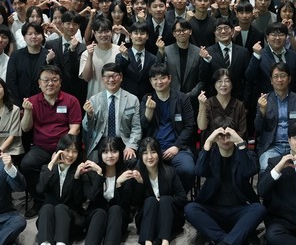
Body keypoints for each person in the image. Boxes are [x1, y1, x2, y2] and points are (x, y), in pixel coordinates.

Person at [186, 126, 264, 245]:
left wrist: (240, 142)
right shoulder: (210, 154)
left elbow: (250, 170)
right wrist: (208, 142)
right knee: (190, 209)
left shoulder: (244, 153)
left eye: (229, 135)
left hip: (239, 210)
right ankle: (238, 243)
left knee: (259, 209)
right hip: (213, 211)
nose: (225, 139)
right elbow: (199, 171)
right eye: (220, 136)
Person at [19, 65, 82, 211]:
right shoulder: (32, 101)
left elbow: (75, 128)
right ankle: (40, 200)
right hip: (41, 147)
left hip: (65, 147)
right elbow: (26, 128)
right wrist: (27, 111)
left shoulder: (71, 100)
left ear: (60, 82)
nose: (50, 83)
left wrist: (63, 150)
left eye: (54, 80)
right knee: (26, 165)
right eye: (46, 80)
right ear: (39, 83)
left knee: (73, 163)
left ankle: (65, 200)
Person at [36, 134, 89, 245]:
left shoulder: (79, 170)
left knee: (60, 208)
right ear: (60, 150)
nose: (70, 155)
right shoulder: (48, 168)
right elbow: (40, 189)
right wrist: (52, 163)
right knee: (46, 208)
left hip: (70, 222)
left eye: (75, 151)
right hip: (50, 223)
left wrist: (77, 177)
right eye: (67, 150)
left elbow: (79, 200)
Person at [131, 137, 188, 245]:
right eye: (145, 153)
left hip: (168, 219)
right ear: (141, 156)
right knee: (150, 200)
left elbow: (182, 199)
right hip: (147, 220)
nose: (149, 157)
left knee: (165, 199)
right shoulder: (137, 174)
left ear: (159, 153)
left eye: (153, 152)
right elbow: (134, 204)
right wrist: (140, 184)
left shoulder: (170, 171)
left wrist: (162, 200)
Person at [82, 137, 136, 245]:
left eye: (114, 151)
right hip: (97, 218)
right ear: (100, 154)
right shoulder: (94, 172)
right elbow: (92, 198)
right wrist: (100, 175)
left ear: (120, 153)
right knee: (99, 211)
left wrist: (118, 185)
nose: (110, 156)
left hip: (117, 219)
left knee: (115, 209)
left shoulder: (126, 173)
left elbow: (125, 206)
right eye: (105, 152)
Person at [140, 63, 197, 194]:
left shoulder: (182, 98)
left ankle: (179, 197)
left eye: (162, 78)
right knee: (139, 170)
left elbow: (189, 126)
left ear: (169, 78)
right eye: (155, 79)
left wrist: (176, 146)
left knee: (188, 169)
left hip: (178, 148)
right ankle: (155, 198)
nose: (159, 82)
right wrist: (149, 111)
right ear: (150, 81)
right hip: (153, 149)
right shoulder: (147, 99)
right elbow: (143, 126)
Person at [82, 63, 142, 164]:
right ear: (102, 79)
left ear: (121, 77)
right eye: (107, 76)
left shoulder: (132, 99)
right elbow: (87, 128)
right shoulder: (94, 100)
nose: (111, 79)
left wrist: (131, 146)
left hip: (123, 141)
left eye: (115, 76)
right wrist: (89, 115)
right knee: (93, 161)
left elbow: (136, 128)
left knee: (131, 160)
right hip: (101, 141)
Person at [255, 63, 296, 172]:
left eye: (283, 76)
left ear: (289, 79)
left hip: (295, 148)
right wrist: (262, 111)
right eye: (276, 76)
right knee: (266, 169)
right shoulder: (264, 100)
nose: (279, 79)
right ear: (271, 80)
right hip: (272, 147)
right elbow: (258, 129)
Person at [159, 16, 207, 110]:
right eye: (178, 31)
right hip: (169, 99)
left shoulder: (198, 52)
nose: (181, 33)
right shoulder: (166, 51)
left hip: (192, 101)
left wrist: (190, 95)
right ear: (174, 33)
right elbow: (160, 74)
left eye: (184, 30)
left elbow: (202, 80)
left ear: (190, 31)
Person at [201, 17, 250, 103]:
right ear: (215, 33)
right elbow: (203, 78)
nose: (223, 31)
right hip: (215, 101)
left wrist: (245, 101)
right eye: (219, 29)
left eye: (226, 28)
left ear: (232, 31)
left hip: (238, 101)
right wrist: (206, 60)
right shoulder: (208, 52)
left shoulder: (243, 52)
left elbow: (248, 79)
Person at [245, 22, 296, 97]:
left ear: (286, 37)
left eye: (281, 35)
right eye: (273, 35)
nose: (277, 38)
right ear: (267, 37)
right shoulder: (259, 55)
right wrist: (256, 55)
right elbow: (249, 77)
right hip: (266, 99)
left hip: (289, 98)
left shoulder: (294, 56)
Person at [6, 22, 54, 103]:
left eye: (37, 33)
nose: (34, 36)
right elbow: (11, 82)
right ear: (24, 37)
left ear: (43, 36)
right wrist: (18, 105)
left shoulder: (50, 55)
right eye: (30, 34)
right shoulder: (16, 56)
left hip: (44, 102)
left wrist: (48, 62)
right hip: (20, 102)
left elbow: (53, 80)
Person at [197, 68, 248, 141]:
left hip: (232, 143)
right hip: (212, 143)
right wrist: (202, 105)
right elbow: (202, 127)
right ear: (214, 85)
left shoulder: (239, 105)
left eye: (227, 81)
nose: (223, 84)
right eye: (219, 81)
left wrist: (228, 141)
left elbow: (242, 131)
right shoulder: (208, 103)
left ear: (232, 84)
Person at [80, 17, 121, 99]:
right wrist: (90, 56)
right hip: (94, 98)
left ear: (111, 32)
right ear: (94, 33)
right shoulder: (87, 53)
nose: (103, 35)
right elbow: (86, 78)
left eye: (107, 31)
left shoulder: (119, 51)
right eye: (100, 32)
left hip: (117, 98)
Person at [115, 21, 157, 100]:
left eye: (142, 33)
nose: (139, 36)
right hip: (126, 98)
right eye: (136, 33)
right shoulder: (121, 56)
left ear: (147, 36)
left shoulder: (153, 58)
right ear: (130, 35)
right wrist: (124, 57)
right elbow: (118, 74)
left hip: (147, 99)